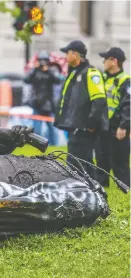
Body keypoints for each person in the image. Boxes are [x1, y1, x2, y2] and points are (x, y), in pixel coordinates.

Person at [54, 40, 108, 179]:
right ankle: (78, 186)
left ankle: (92, 188)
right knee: (75, 158)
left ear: (76, 54)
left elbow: (99, 100)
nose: (66, 56)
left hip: (86, 126)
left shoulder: (91, 73)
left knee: (83, 159)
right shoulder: (74, 73)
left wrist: (91, 123)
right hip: (75, 125)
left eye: (68, 53)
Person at [95, 47, 130, 187]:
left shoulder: (125, 80)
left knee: (119, 163)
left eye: (106, 59)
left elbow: (129, 105)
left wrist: (124, 126)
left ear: (114, 61)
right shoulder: (102, 78)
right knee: (101, 161)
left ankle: (125, 191)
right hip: (103, 126)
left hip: (117, 128)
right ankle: (102, 190)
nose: (103, 62)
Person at [24, 51, 61, 145]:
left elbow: (57, 80)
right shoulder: (35, 71)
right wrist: (34, 70)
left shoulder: (51, 71)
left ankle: (53, 145)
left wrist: (48, 71)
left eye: (45, 60)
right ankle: (36, 145)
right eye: (41, 60)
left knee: (52, 128)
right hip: (37, 103)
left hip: (48, 104)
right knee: (36, 128)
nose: (43, 62)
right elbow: (26, 80)